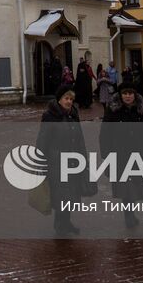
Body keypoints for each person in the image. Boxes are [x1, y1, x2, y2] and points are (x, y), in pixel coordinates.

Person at [100, 81, 143, 228]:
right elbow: (105, 132)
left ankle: (131, 213)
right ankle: (128, 215)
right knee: (125, 186)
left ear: (134, 94)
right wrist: (106, 152)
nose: (128, 96)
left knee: (135, 184)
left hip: (138, 152)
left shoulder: (141, 109)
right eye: (125, 93)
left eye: (130, 93)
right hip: (119, 153)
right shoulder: (113, 109)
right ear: (120, 94)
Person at [37, 85, 88, 236]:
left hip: (72, 161)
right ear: (59, 99)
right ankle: (60, 224)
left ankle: (66, 222)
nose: (69, 101)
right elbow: (42, 141)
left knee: (70, 194)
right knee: (61, 195)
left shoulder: (73, 115)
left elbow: (80, 139)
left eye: (71, 99)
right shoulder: (50, 116)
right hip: (56, 163)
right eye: (66, 98)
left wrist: (83, 157)